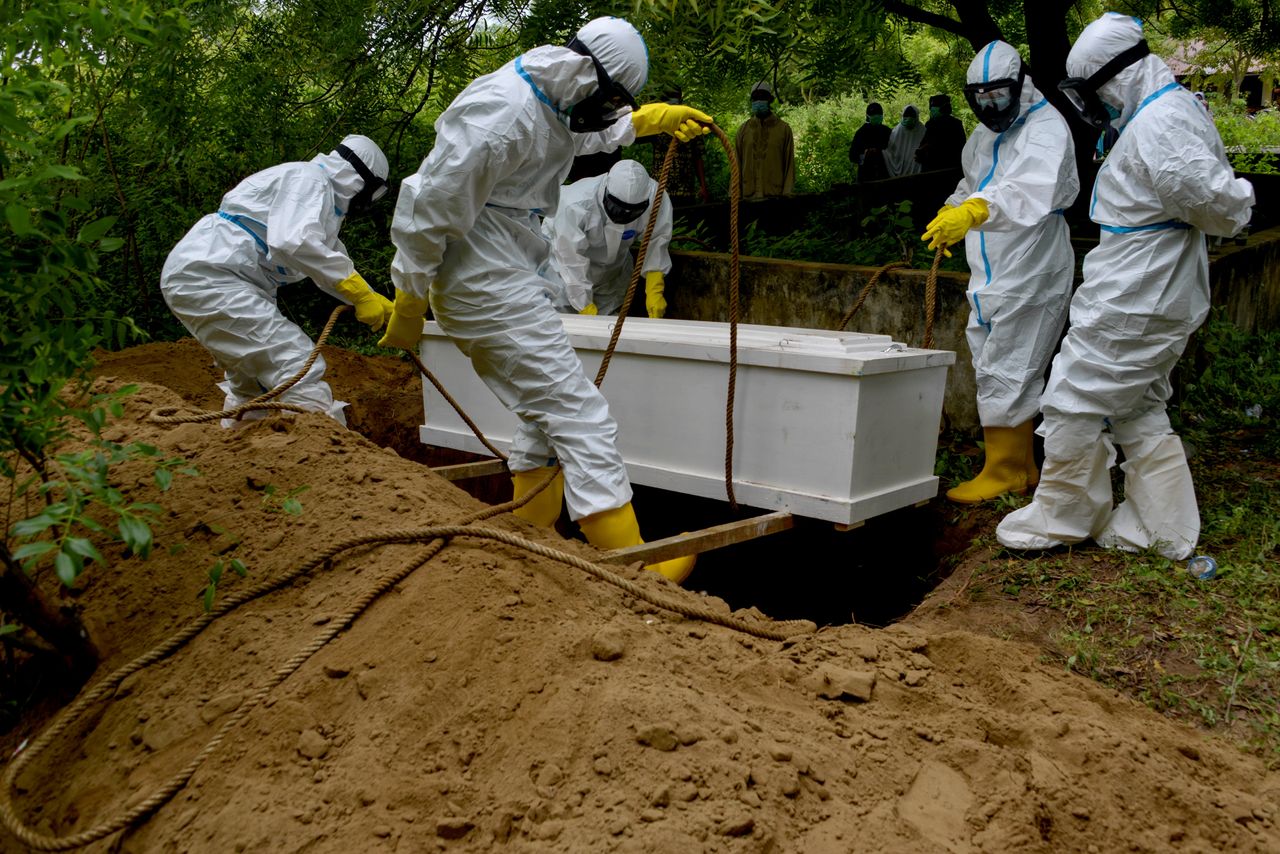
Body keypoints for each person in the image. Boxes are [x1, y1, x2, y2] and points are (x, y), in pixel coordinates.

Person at [381, 16, 711, 582]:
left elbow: (578, 133)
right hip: (481, 280)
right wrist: (409, 298)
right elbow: (425, 207)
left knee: (543, 411)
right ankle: (633, 566)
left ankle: (533, 536)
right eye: (612, 100)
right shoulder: (503, 114)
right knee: (579, 413)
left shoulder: (551, 98)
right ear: (589, 73)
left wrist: (646, 121)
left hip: (506, 270)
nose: (610, 111)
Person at [997, 13, 1254, 559]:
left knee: (1071, 398)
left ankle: (1063, 517)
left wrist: (1242, 196)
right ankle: (1160, 526)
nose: (1097, 103)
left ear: (1117, 74)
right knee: (1137, 404)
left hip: (1141, 287)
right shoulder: (1159, 114)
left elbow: (1216, 204)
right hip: (1145, 279)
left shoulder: (1161, 123)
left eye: (1095, 90)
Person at [922, 41, 1079, 504]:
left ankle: (1005, 470)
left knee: (1010, 363)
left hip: (1032, 263)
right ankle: (1022, 465)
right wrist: (951, 211)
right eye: (980, 97)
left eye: (998, 95)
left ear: (1019, 85)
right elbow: (975, 183)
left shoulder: (1046, 127)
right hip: (991, 266)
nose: (989, 105)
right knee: (996, 358)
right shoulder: (986, 133)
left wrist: (972, 212)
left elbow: (1029, 188)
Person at [160, 135, 392, 429]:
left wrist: (374, 300)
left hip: (214, 277)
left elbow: (326, 257)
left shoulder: (319, 195)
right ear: (363, 182)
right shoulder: (310, 180)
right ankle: (327, 458)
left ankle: (237, 454)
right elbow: (293, 241)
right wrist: (358, 293)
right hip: (213, 275)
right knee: (296, 364)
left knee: (252, 385)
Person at [542, 159, 674, 318]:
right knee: (561, 324)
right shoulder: (575, 203)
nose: (624, 215)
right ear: (605, 192)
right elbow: (570, 259)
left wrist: (655, 290)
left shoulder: (657, 198)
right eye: (618, 208)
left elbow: (657, 239)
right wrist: (584, 305)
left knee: (607, 327)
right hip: (562, 271)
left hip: (612, 274)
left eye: (632, 211)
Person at [640, 84, 710, 204]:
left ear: (680, 100)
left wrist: (703, 186)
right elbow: (636, 136)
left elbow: (697, 157)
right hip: (660, 187)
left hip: (686, 188)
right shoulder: (656, 123)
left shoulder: (691, 123)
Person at [734, 79, 795, 199]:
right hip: (748, 197)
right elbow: (736, 164)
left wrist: (786, 194)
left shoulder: (783, 129)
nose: (758, 101)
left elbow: (789, 165)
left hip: (775, 196)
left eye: (762, 97)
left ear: (770, 100)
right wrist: (735, 194)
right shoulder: (743, 130)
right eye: (755, 98)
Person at [914, 94, 967, 172]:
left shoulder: (934, 124)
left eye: (934, 106)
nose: (931, 109)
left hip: (942, 168)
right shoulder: (955, 123)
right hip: (947, 168)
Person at [848, 102, 891, 183]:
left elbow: (894, 151)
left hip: (884, 174)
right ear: (868, 116)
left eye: (879, 115)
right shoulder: (861, 133)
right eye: (874, 115)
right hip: (866, 176)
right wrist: (865, 154)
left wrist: (881, 153)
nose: (877, 117)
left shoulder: (887, 131)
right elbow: (852, 156)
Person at [884, 105, 926, 177]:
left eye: (911, 117)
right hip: (900, 172)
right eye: (906, 117)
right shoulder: (897, 131)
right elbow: (889, 150)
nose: (908, 119)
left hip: (918, 171)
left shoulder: (922, 131)